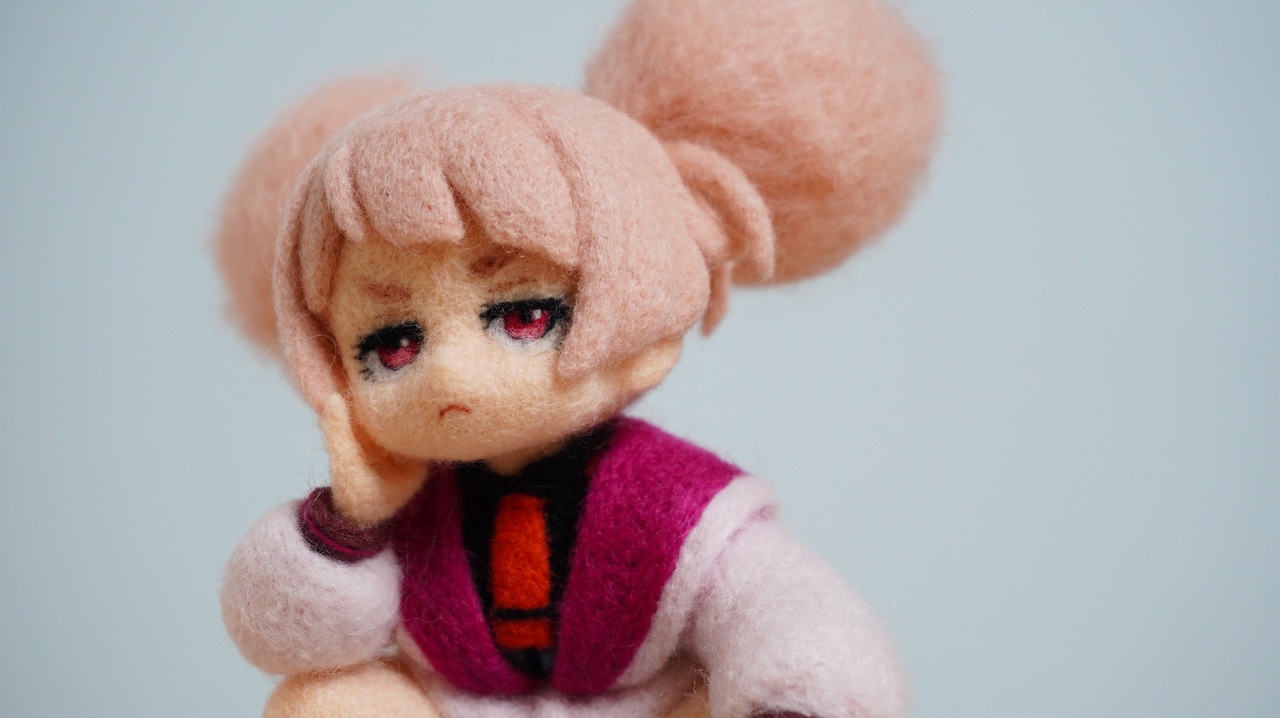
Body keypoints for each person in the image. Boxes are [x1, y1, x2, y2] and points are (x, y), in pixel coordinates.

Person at [215, 1, 941, 716]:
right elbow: (289, 639)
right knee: (321, 698)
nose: (449, 376)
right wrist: (350, 524)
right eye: (394, 343)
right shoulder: (406, 502)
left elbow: (782, 604)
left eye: (524, 315)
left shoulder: (670, 501)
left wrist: (796, 696)